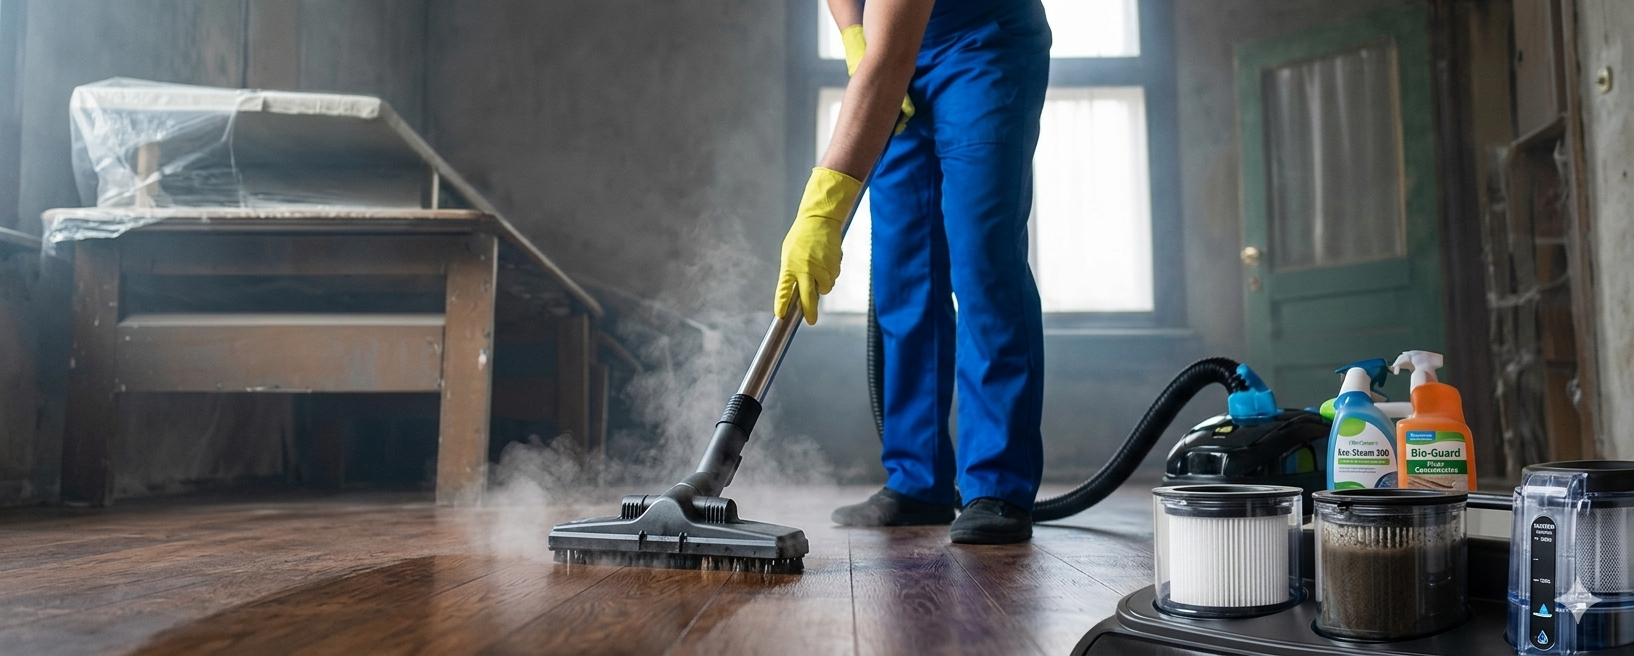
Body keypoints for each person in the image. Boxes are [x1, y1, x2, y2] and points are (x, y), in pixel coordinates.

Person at [775, 0, 1051, 544]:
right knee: (905, 274)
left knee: (982, 262)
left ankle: (996, 486)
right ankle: (918, 482)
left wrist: (822, 210)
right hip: (894, 47)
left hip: (982, 43)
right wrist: (854, 36)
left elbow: (889, 60)